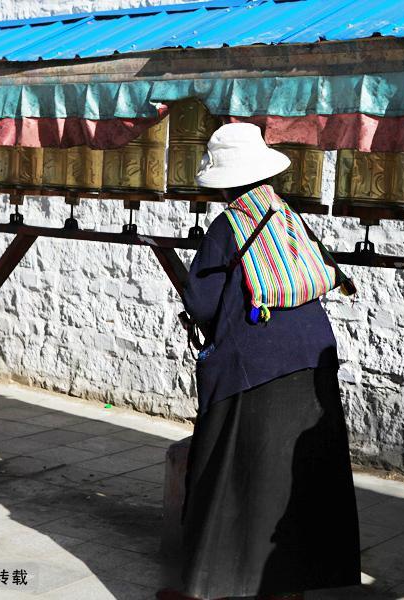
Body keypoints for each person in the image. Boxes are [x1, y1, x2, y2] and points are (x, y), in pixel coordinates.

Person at [162, 123, 360, 600]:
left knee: (234, 471)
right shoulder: (287, 215)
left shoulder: (228, 226)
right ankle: (290, 584)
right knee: (296, 477)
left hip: (255, 366)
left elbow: (203, 303)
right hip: (314, 357)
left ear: (226, 181)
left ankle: (219, 581)